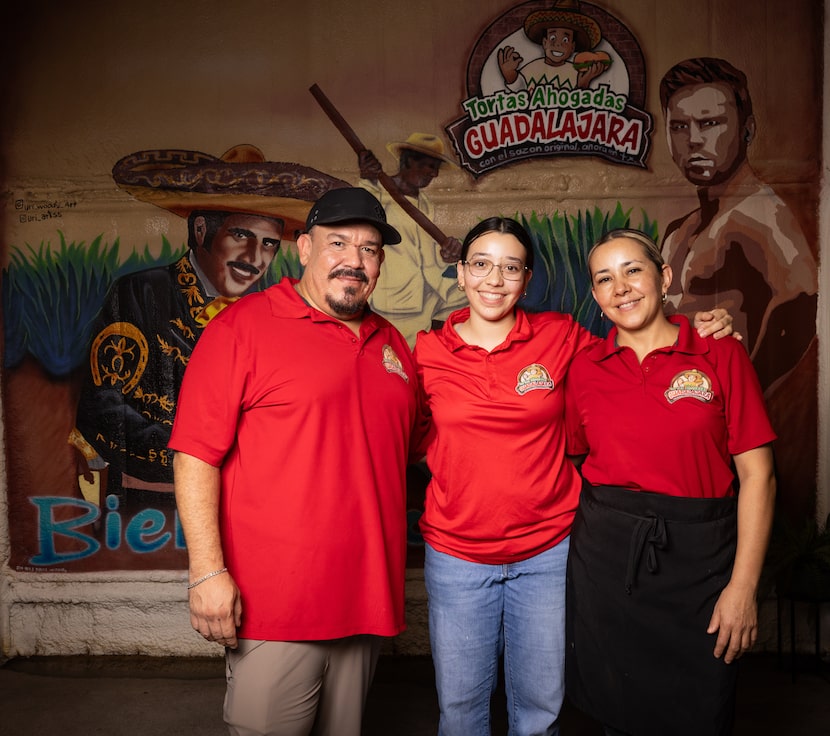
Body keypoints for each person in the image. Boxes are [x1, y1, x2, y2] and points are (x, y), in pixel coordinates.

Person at [412, 217, 734, 736]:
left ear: (528, 277)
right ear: (460, 271)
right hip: (457, 556)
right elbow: (405, 434)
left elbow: (637, 344)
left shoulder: (561, 337)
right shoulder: (426, 352)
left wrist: (705, 328)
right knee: (461, 710)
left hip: (547, 553)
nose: (494, 280)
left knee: (541, 711)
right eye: (481, 265)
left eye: (510, 268)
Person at [169, 187, 427, 736]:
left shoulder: (392, 344)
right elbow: (195, 454)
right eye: (338, 243)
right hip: (276, 603)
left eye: (370, 248)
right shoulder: (241, 329)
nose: (354, 261)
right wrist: (206, 572)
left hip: (367, 600)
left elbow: (409, 449)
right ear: (304, 248)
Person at [564, 229, 776, 736]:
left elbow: (759, 475)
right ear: (595, 296)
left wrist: (743, 588)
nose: (621, 288)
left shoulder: (720, 353)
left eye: (633, 270)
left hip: (702, 563)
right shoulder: (584, 369)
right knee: (612, 712)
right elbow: (577, 460)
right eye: (605, 279)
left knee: (700, 711)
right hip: (606, 563)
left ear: (664, 278)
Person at [72, 145, 347, 504]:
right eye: (241, 236)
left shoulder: (267, 311)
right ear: (201, 231)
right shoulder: (141, 292)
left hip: (243, 499)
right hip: (143, 500)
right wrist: (194, 459)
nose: (254, 258)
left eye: (267, 244)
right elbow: (102, 405)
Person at [659, 57, 817, 393]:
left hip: (723, 415)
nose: (693, 140)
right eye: (679, 126)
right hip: (680, 411)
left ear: (747, 130)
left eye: (710, 123)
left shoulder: (762, 214)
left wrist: (744, 401)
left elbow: (801, 309)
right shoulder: (679, 230)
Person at [358, 132, 467, 347]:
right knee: (398, 357)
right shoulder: (378, 193)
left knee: (473, 296)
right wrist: (367, 177)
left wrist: (447, 257)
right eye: (428, 166)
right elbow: (361, 210)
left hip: (427, 291)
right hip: (396, 299)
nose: (433, 174)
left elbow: (426, 254)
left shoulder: (424, 203)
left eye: (435, 167)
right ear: (407, 161)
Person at [497, 0, 609, 93]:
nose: (558, 44)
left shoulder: (576, 73)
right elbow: (519, 89)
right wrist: (509, 74)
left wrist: (584, 84)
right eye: (552, 38)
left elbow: (578, 105)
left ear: (572, 47)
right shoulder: (532, 68)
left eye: (565, 40)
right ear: (545, 42)